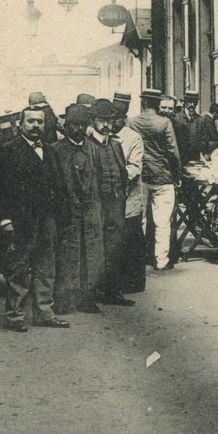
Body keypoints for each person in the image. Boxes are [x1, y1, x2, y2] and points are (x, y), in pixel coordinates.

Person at [0, 106, 70, 332]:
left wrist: (61, 217)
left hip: (47, 219)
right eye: (31, 121)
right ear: (20, 124)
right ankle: (15, 316)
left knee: (46, 267)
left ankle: (44, 312)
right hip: (20, 218)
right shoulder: (7, 151)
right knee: (18, 267)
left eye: (39, 122)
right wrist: (4, 219)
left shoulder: (51, 150)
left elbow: (60, 185)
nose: (36, 126)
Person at [52, 104, 106, 314]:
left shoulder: (94, 150)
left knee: (90, 254)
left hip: (90, 210)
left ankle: (86, 298)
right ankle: (63, 299)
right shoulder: (56, 150)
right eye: (73, 124)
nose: (78, 129)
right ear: (65, 126)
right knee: (65, 253)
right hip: (66, 211)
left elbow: (99, 179)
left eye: (82, 124)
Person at [128, 90, 182, 271]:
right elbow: (173, 152)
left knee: (140, 220)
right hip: (163, 176)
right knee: (163, 221)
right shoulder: (164, 123)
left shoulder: (132, 122)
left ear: (143, 103)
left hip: (141, 176)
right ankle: (161, 260)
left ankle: (139, 259)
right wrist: (177, 174)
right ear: (157, 104)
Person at [90, 99, 134, 306]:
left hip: (116, 203)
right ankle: (89, 294)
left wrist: (122, 194)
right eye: (102, 120)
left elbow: (123, 172)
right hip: (96, 205)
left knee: (115, 247)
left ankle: (113, 291)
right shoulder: (88, 145)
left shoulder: (116, 145)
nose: (106, 125)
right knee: (94, 248)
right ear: (93, 121)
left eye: (109, 120)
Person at [111, 93, 146, 294]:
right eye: (110, 119)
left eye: (117, 119)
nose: (112, 123)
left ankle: (133, 283)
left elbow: (135, 167)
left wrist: (116, 177)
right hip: (110, 200)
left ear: (124, 119)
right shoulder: (103, 136)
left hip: (129, 198)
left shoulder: (133, 138)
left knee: (131, 239)